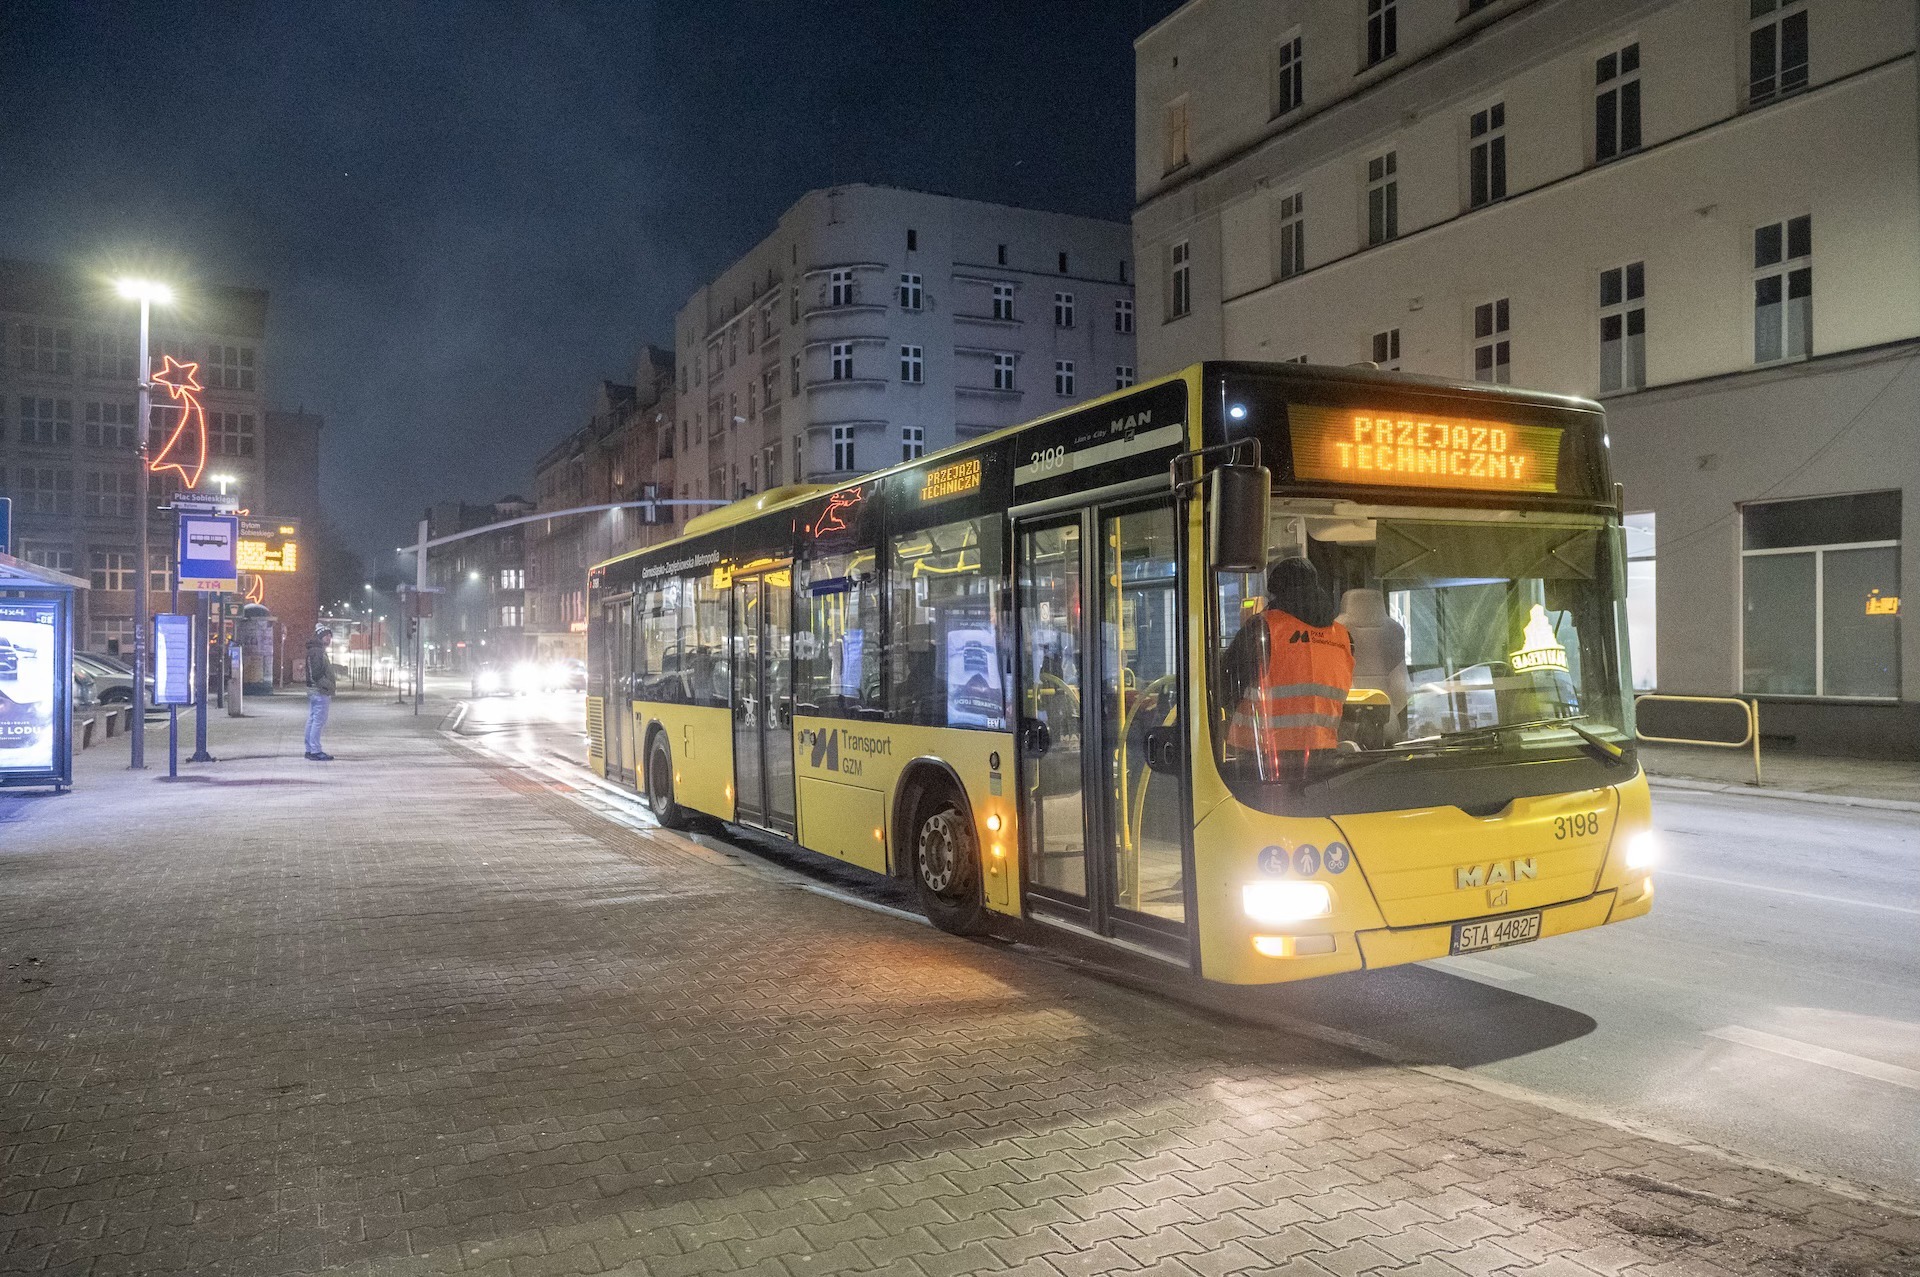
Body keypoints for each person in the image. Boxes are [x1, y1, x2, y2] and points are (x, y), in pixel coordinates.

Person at [1224, 557, 1355, 781]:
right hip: (1322, 761)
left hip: (1261, 762)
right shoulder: (1343, 637)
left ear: (1276, 592)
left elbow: (1225, 684)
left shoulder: (1264, 628)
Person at [305, 625, 337, 761]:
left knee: (313, 720)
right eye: (326, 636)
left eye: (330, 636)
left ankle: (309, 749)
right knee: (318, 721)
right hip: (320, 691)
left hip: (315, 691)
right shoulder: (317, 652)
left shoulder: (315, 650)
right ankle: (315, 750)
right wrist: (329, 686)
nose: (329, 638)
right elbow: (317, 674)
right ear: (319, 637)